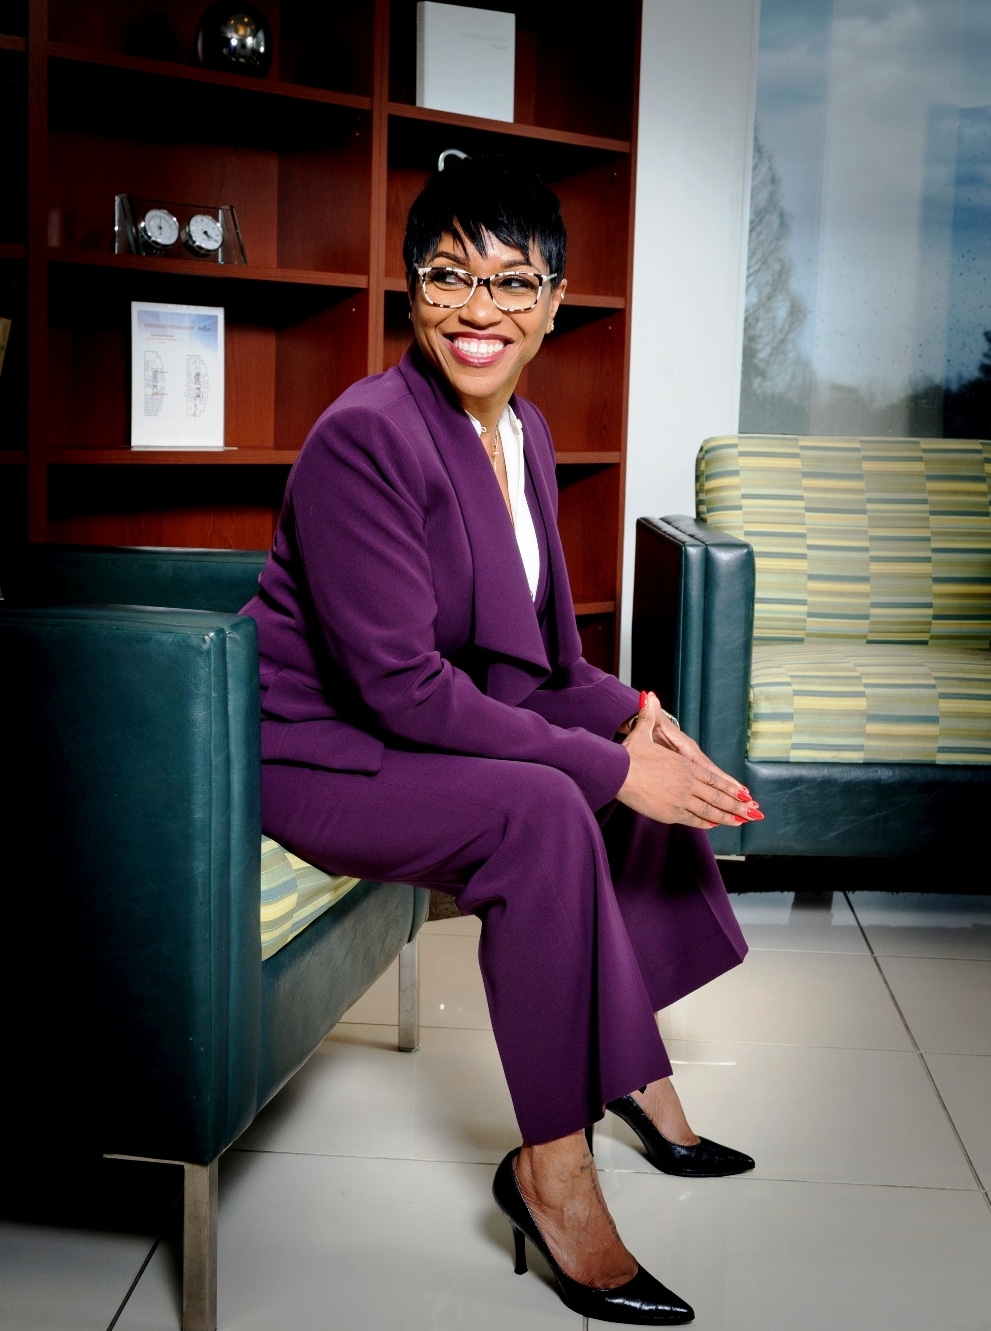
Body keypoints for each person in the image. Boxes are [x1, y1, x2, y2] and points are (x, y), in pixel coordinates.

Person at [241, 153, 760, 1326]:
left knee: (631, 757)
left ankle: (639, 1077)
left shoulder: (522, 435)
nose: (480, 309)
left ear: (553, 301)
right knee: (549, 802)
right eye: (448, 275)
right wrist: (609, 764)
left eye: (513, 282)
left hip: (401, 724)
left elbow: (543, 664)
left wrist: (636, 719)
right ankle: (552, 1170)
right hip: (314, 751)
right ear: (409, 290)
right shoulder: (364, 435)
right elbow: (404, 690)